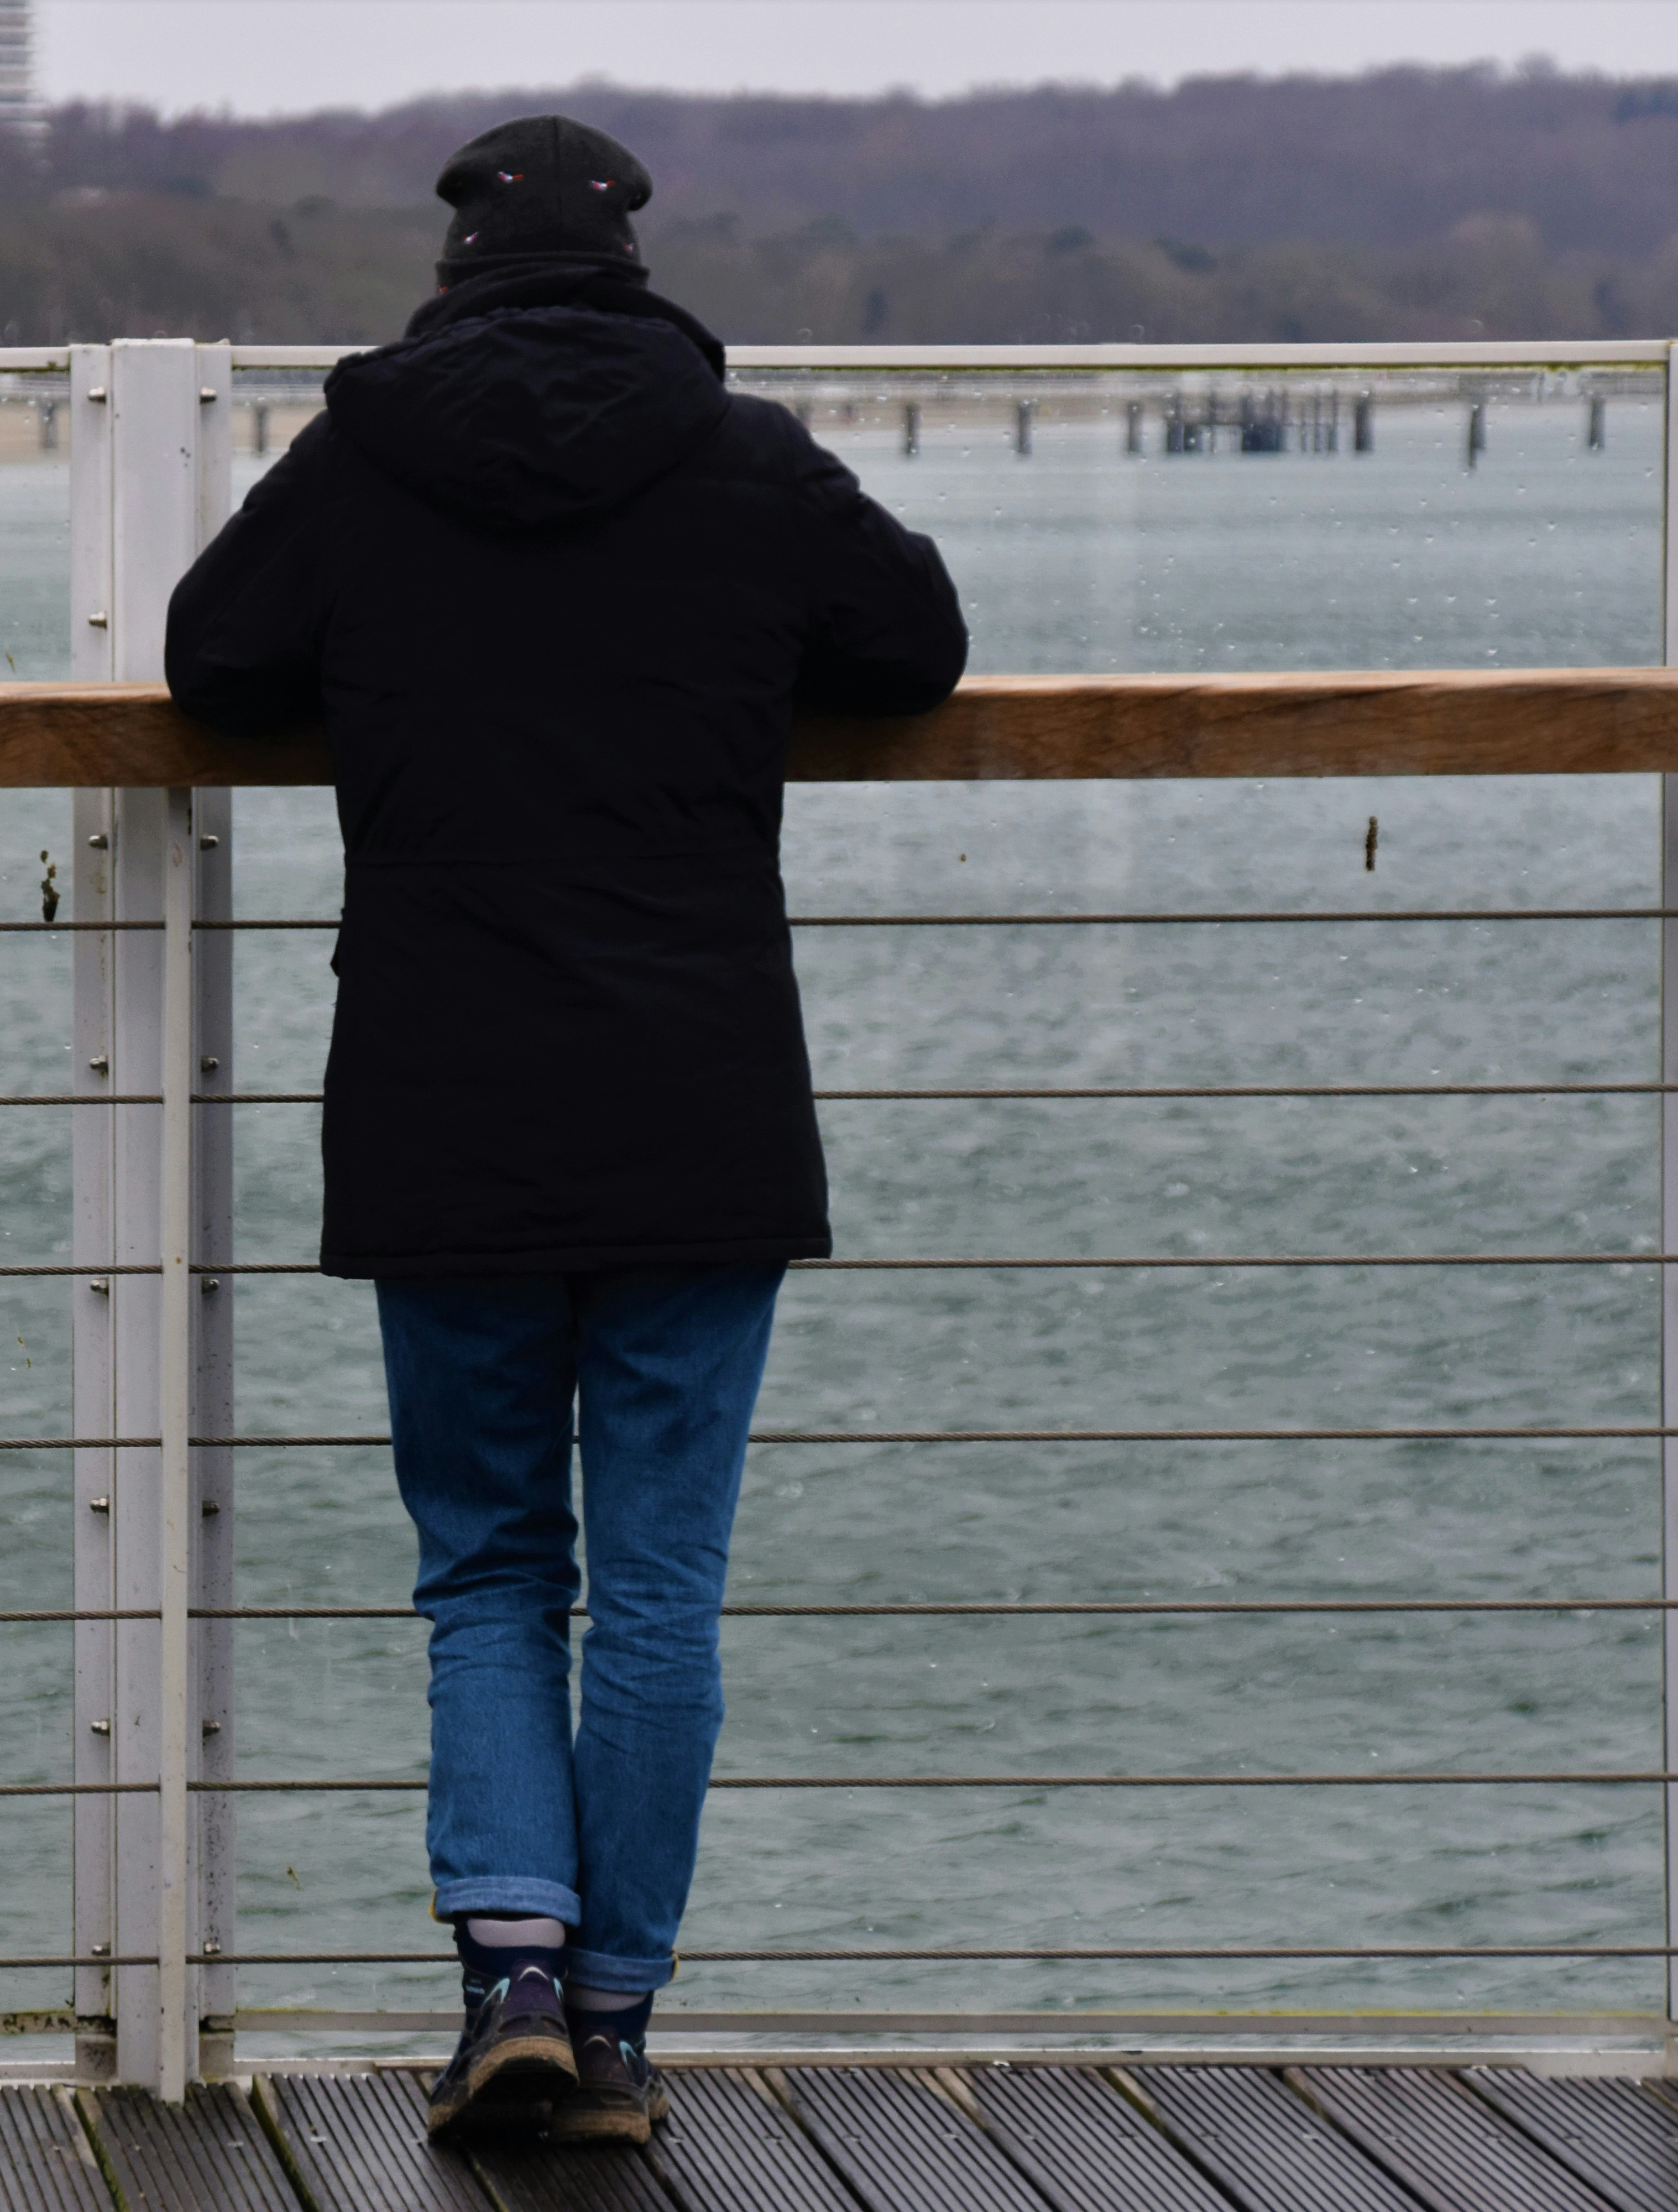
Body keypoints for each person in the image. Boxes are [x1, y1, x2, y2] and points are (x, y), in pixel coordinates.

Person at [164, 114, 966, 2148]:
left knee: (493, 1571)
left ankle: (508, 1976)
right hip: (698, 1096)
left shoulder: (362, 460)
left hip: (448, 1098)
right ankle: (611, 2028)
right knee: (665, 1586)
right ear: (631, 263)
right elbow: (916, 647)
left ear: (448, 271)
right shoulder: (745, 458)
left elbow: (212, 663)